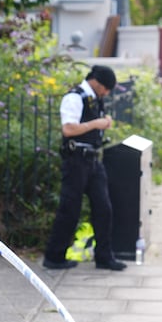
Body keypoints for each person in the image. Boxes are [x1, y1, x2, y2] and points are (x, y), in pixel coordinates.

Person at [43, 65, 127, 271]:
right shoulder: (74, 97)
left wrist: (102, 123)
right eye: (106, 89)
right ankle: (54, 256)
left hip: (92, 160)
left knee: (103, 207)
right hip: (75, 160)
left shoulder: (94, 99)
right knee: (70, 209)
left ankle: (104, 256)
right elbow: (69, 128)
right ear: (97, 83)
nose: (106, 94)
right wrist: (96, 124)